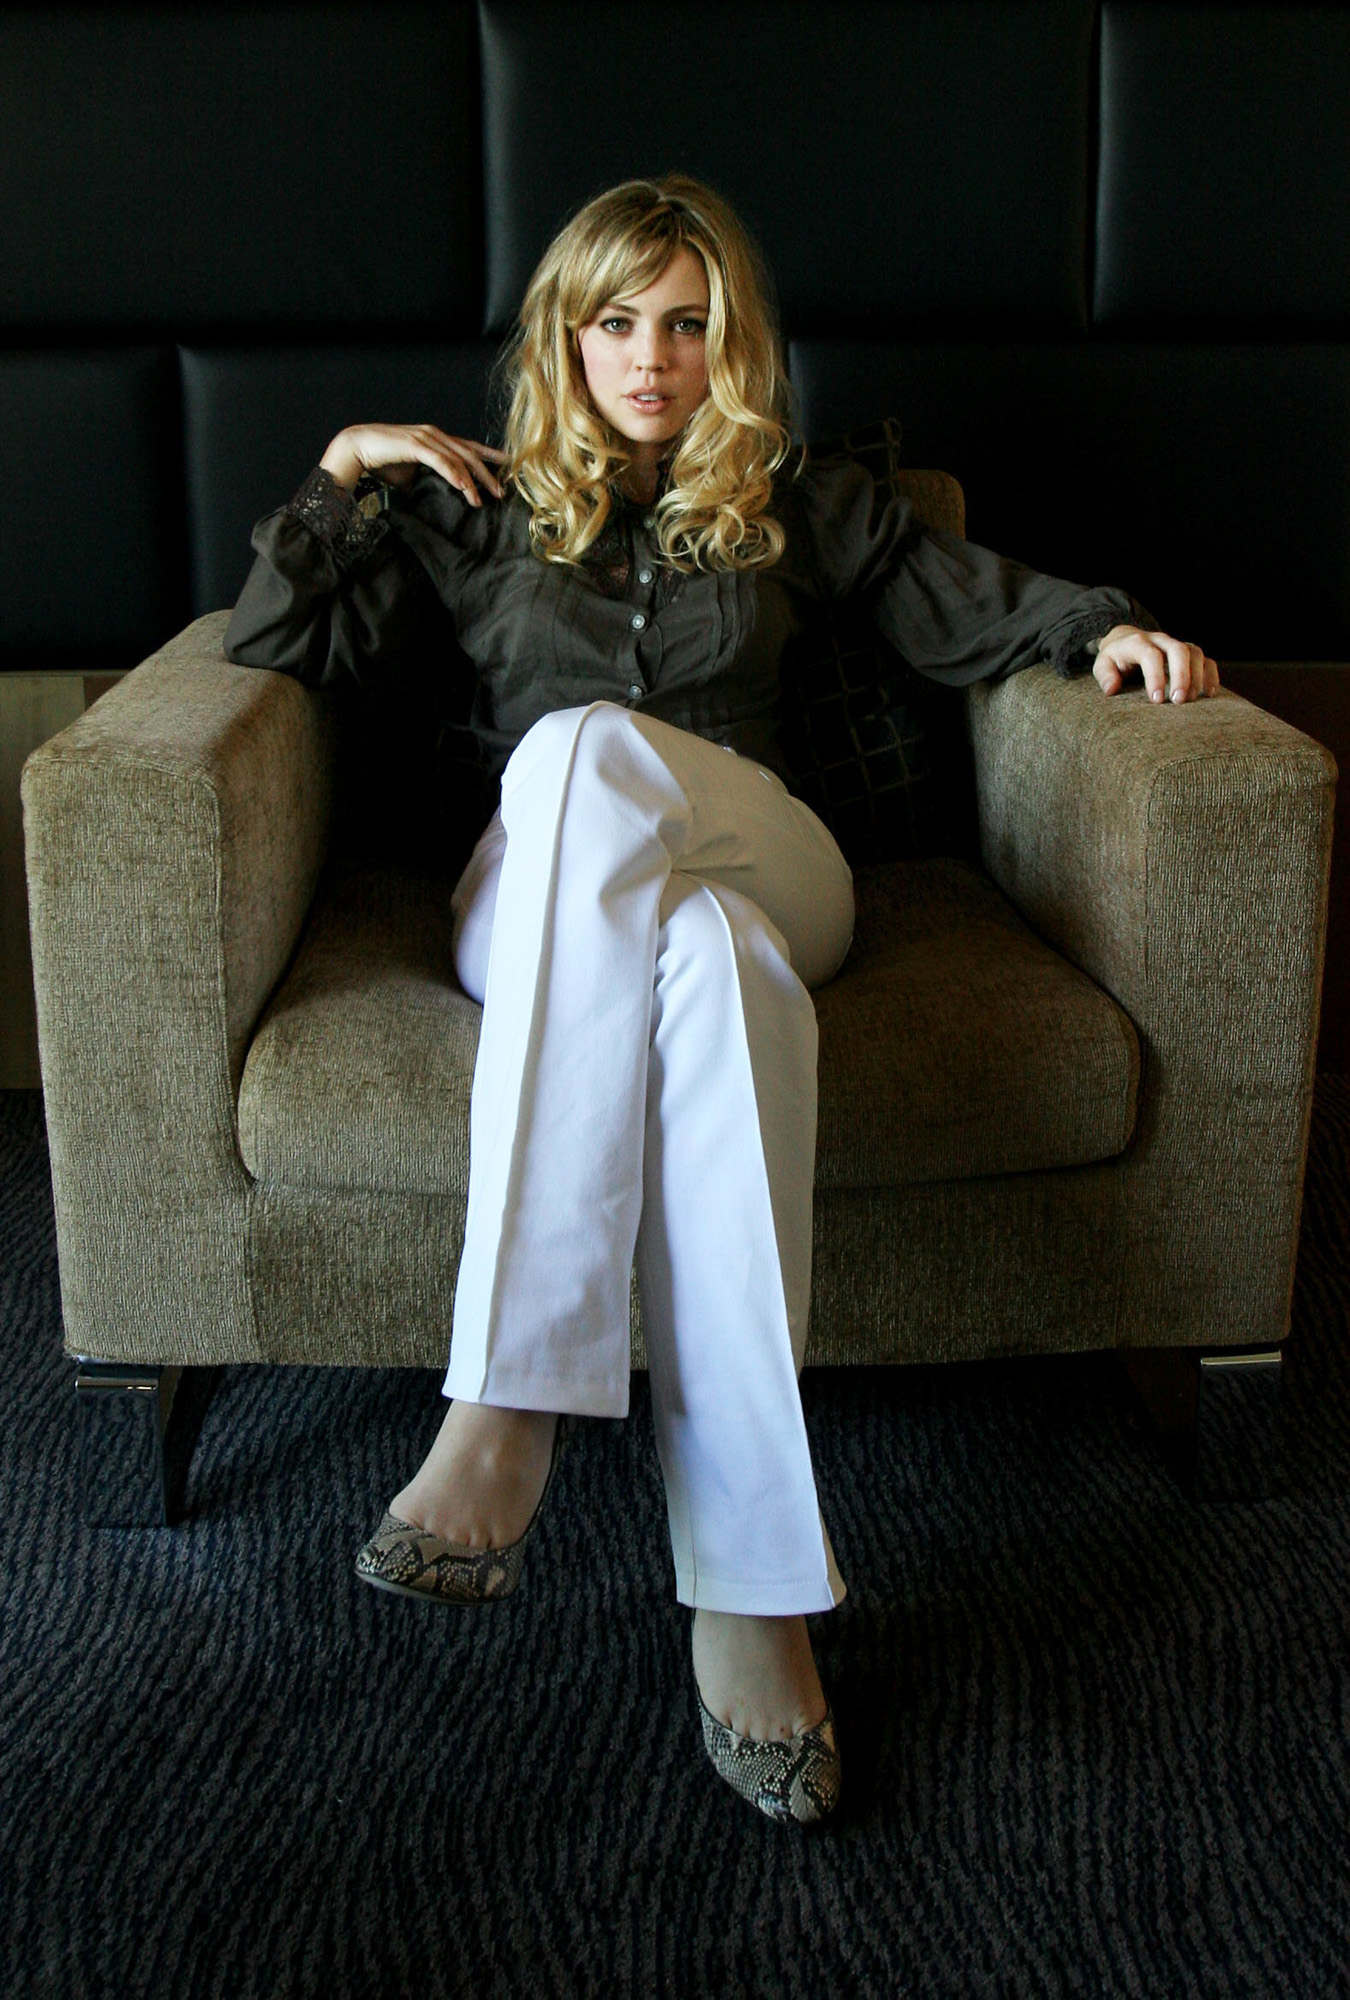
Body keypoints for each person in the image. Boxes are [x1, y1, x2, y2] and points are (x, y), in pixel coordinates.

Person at [224, 174, 1219, 1826]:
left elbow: (976, 605)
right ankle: (753, 1594)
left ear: (731, 342)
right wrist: (342, 473)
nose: (650, 359)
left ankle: (509, 1397)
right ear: (564, 336)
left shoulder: (799, 500)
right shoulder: (469, 512)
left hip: (776, 862)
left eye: (687, 324)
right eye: (615, 321)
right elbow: (273, 644)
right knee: (697, 952)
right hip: (542, 908)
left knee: (596, 761)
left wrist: (1108, 636)